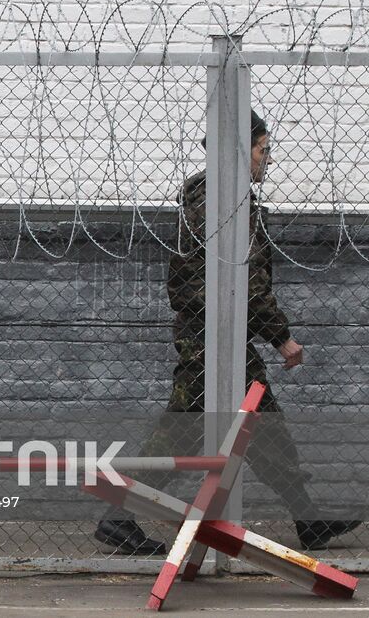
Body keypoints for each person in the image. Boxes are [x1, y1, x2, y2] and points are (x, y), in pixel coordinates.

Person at [95, 108, 362, 555]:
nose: (268, 160)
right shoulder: (225, 202)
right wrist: (282, 337)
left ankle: (307, 516)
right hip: (210, 340)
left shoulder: (219, 197)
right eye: (262, 149)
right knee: (181, 431)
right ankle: (117, 516)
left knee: (262, 424)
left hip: (223, 336)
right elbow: (247, 280)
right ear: (241, 152)